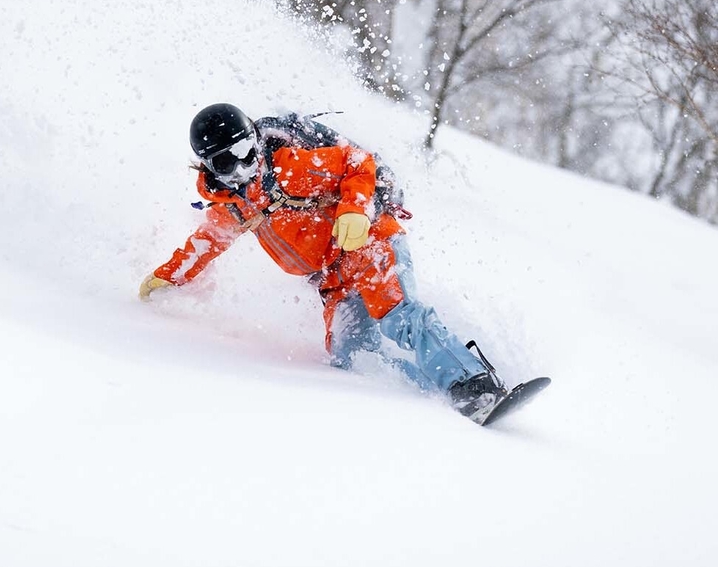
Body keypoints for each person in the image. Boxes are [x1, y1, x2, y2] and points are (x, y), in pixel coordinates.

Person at [139, 103, 507, 422]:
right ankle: (433, 398)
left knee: (397, 316)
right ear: (208, 168)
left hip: (368, 242)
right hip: (333, 277)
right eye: (226, 163)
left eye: (247, 151)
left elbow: (358, 163)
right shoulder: (233, 206)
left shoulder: (290, 166)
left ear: (255, 140)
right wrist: (167, 278)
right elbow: (204, 245)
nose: (241, 168)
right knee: (352, 358)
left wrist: (355, 210)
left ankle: (474, 385)